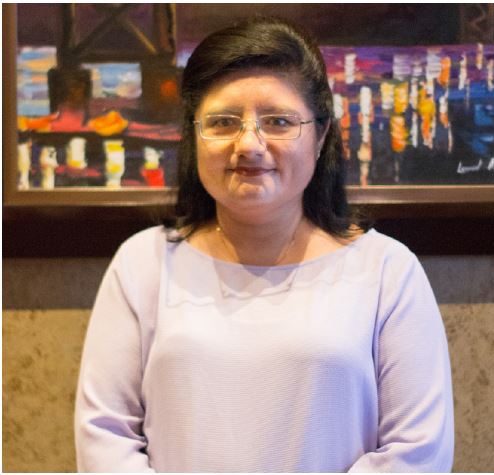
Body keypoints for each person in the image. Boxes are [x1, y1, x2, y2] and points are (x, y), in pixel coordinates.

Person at [75, 16, 454, 473]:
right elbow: (106, 437)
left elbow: (418, 451)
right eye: (223, 122)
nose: (249, 144)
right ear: (194, 134)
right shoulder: (144, 263)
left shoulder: (386, 271)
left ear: (320, 135)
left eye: (278, 121)